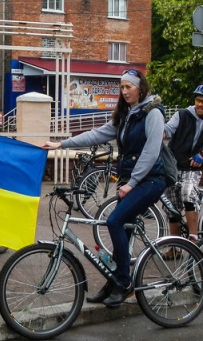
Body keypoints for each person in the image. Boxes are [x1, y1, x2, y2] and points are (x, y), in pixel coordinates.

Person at [42, 69, 165, 307]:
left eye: (129, 87)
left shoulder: (153, 113)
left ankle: (124, 283)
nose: (124, 91)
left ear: (141, 88)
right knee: (122, 232)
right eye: (122, 87)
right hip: (129, 181)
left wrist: (131, 183)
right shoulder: (126, 115)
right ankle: (114, 281)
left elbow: (151, 152)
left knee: (114, 222)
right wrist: (61, 144)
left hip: (150, 181)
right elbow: (96, 135)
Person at [164, 84, 203, 240]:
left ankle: (193, 239)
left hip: (192, 168)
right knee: (171, 205)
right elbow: (167, 130)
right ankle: (175, 246)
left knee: (188, 194)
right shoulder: (182, 115)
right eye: (198, 100)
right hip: (172, 164)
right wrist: (155, 132)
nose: (200, 104)